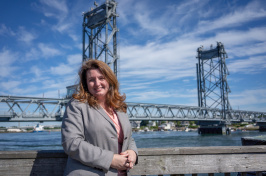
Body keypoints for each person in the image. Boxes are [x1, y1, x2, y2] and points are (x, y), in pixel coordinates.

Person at [61, 59, 138, 176]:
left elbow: (128, 138)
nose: (97, 83)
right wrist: (110, 159)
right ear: (86, 84)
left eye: (101, 78)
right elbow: (71, 143)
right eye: (91, 80)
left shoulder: (119, 106)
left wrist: (133, 152)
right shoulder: (77, 105)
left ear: (109, 80)